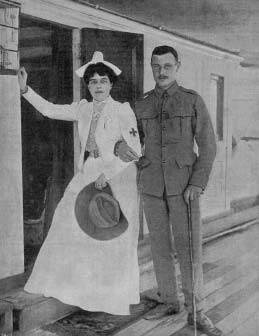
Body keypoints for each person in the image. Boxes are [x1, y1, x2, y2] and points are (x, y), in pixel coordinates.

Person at [18, 51, 142, 316]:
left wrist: (107, 174)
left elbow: (134, 151)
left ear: (111, 84)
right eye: (93, 81)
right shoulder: (83, 108)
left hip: (114, 177)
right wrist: (25, 89)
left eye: (103, 81)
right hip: (88, 171)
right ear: (88, 85)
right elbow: (50, 110)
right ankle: (72, 287)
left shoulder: (122, 111)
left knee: (107, 234)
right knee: (67, 220)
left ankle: (106, 296)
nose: (98, 85)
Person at [114, 45, 223, 336]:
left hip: (184, 189)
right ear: (151, 67)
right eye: (156, 66)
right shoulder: (142, 104)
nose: (161, 72)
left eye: (167, 66)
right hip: (151, 186)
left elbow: (209, 146)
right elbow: (126, 137)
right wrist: (118, 146)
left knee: (189, 251)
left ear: (178, 66)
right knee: (160, 248)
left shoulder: (192, 101)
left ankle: (197, 313)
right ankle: (169, 300)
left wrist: (197, 184)